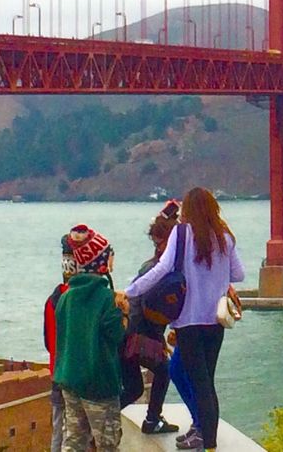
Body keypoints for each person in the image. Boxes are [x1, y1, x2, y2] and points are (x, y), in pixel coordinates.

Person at [125, 187, 244, 452]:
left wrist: (132, 291)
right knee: (208, 382)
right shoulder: (224, 236)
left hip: (188, 321)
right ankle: (209, 441)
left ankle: (206, 441)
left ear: (187, 210)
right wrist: (216, 278)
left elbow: (162, 270)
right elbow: (239, 274)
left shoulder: (181, 235)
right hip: (215, 322)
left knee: (197, 381)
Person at [54, 224, 128, 452]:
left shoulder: (66, 298)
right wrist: (124, 310)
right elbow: (117, 335)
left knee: (73, 441)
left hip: (69, 380)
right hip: (100, 384)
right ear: (102, 262)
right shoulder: (107, 299)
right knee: (107, 443)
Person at [120, 201, 180, 435]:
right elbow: (149, 309)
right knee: (164, 371)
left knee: (134, 389)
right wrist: (159, 339)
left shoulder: (149, 266)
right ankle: (153, 419)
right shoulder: (164, 272)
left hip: (127, 334)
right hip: (139, 334)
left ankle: (103, 418)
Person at [42, 234, 77, 452]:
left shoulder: (52, 300)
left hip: (57, 371)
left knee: (59, 428)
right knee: (77, 431)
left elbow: (48, 341)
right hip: (76, 374)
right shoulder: (78, 300)